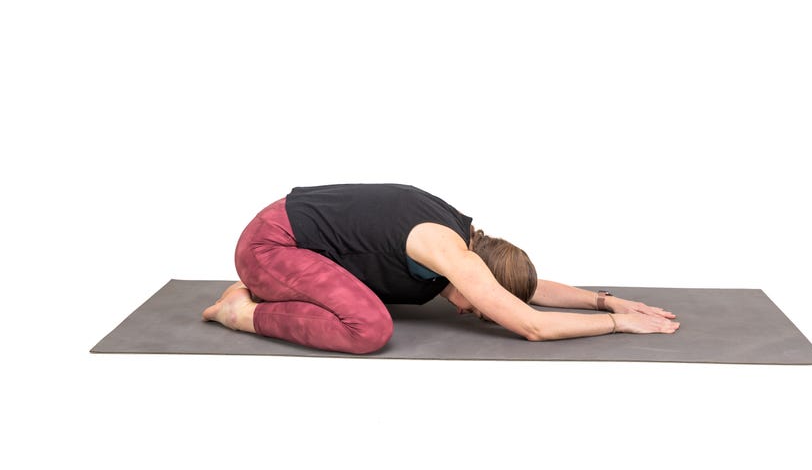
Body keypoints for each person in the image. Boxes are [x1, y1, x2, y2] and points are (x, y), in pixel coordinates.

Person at [202, 183, 679, 353]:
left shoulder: (461, 237)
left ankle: (270, 292)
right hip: (270, 246)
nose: (469, 312)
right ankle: (238, 311)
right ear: (480, 273)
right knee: (367, 328)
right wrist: (618, 324)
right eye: (480, 308)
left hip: (291, 243)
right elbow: (531, 324)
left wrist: (603, 299)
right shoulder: (448, 251)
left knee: (364, 315)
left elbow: (527, 292)